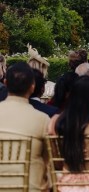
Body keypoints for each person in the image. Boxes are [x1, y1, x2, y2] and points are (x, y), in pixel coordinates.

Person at [0, 62, 50, 191]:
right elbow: (49, 159)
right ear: (32, 87)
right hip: (30, 186)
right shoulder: (42, 119)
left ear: (5, 83)